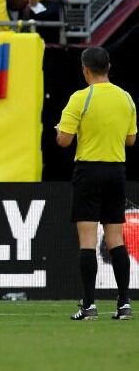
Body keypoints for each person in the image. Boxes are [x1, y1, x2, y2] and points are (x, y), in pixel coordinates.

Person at [57, 47, 135, 321]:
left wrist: (63, 130)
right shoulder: (126, 98)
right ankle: (124, 304)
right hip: (116, 171)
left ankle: (89, 305)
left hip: (89, 171)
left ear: (85, 69)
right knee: (116, 239)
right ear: (109, 67)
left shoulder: (81, 97)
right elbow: (131, 140)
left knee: (88, 241)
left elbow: (63, 140)